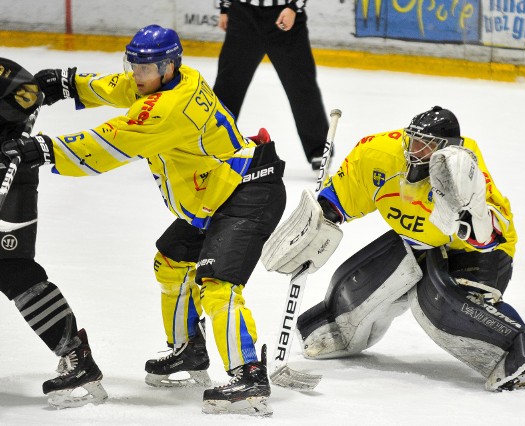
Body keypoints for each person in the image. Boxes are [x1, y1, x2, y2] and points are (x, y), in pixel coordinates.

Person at [0, 25, 286, 416]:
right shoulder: (169, 81)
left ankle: (249, 373)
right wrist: (70, 86)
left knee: (217, 284)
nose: (136, 73)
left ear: (169, 66)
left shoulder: (169, 109)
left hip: (247, 195)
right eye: (133, 63)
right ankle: (189, 350)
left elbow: (109, 144)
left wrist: (43, 149)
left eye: (145, 67)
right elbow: (120, 86)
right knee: (170, 262)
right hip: (218, 197)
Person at [262, 106, 525, 391]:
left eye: (426, 144)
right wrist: (318, 222)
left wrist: (470, 216)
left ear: (447, 146)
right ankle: (334, 325)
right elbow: (340, 199)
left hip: (472, 253)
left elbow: (491, 237)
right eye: (414, 140)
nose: (415, 149)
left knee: (445, 307)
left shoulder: (463, 168)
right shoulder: (376, 153)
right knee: (356, 284)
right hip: (416, 242)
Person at [0, 57, 107, 408]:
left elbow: (27, 91)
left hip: (12, 177)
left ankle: (77, 357)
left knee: (13, 269)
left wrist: (41, 93)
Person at [214, 0, 330, 171]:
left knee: (300, 83)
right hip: (243, 13)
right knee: (228, 84)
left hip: (284, 13)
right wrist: (225, 7)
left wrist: (293, 7)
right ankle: (212, 142)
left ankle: (318, 149)